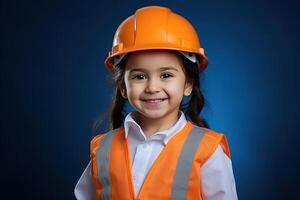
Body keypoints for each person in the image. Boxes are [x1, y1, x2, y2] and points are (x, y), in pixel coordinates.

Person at [74, 5, 238, 200]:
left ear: (188, 84)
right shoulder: (103, 149)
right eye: (139, 76)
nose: (152, 87)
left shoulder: (208, 150)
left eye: (166, 75)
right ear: (123, 88)